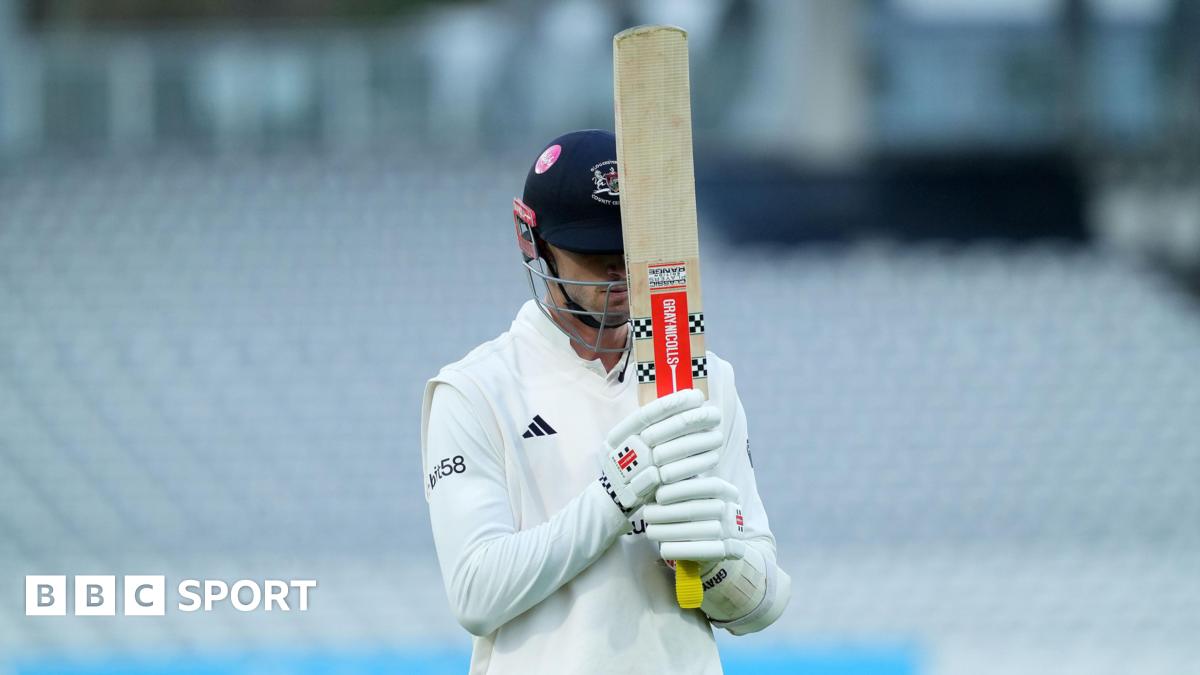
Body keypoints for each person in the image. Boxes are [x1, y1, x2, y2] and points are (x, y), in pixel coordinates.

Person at [420, 129, 791, 674]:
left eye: (630, 251)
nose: (619, 275)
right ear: (534, 243)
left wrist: (717, 565)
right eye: (594, 255)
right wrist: (611, 500)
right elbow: (475, 593)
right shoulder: (475, 389)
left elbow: (766, 603)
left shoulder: (701, 376)